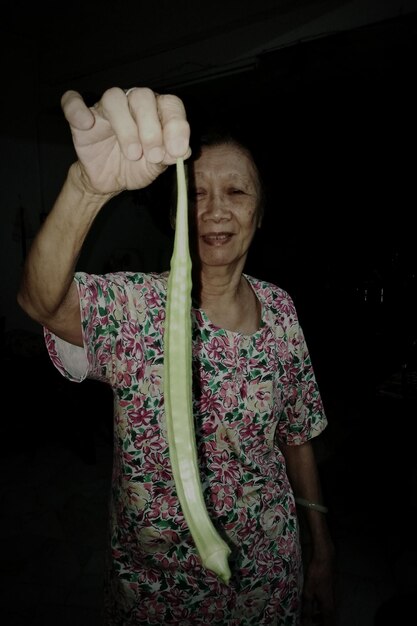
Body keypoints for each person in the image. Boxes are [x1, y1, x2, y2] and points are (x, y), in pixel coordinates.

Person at [17, 86, 336, 625]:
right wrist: (86, 188)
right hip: (156, 596)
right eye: (198, 193)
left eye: (236, 192)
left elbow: (297, 435)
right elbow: (39, 300)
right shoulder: (140, 308)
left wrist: (321, 549)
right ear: (175, 213)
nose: (214, 210)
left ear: (261, 215)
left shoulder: (281, 311)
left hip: (268, 582)